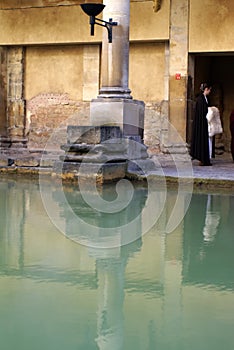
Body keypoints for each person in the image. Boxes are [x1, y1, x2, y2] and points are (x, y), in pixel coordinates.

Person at [190, 82, 212, 166]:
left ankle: (204, 159)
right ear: (206, 89)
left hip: (204, 122)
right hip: (201, 123)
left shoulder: (204, 98)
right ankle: (202, 159)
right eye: (209, 90)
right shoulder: (200, 99)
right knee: (201, 139)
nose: (210, 91)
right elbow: (201, 112)